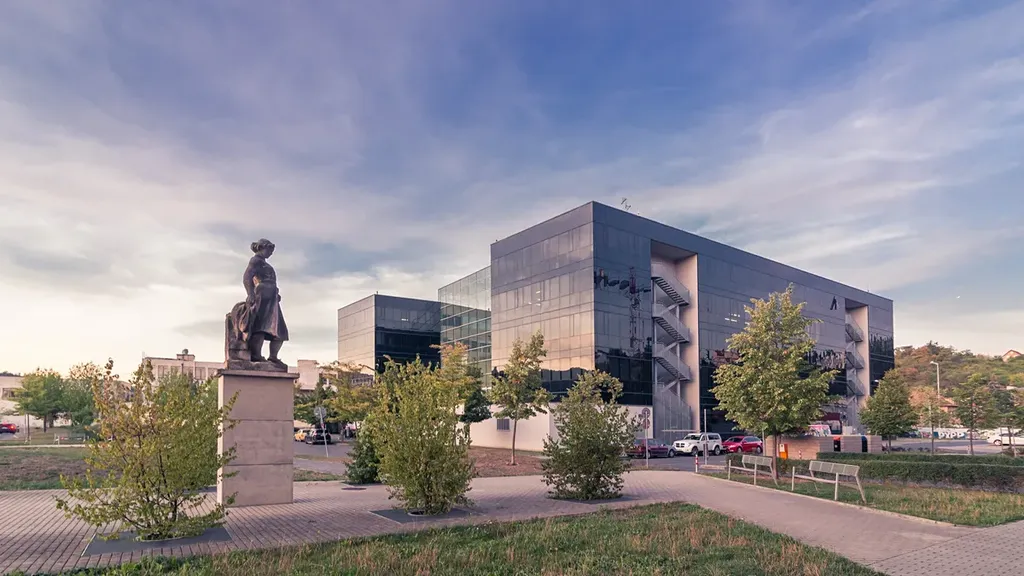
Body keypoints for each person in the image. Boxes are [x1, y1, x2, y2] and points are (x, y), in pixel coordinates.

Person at [242, 238, 289, 365]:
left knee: (280, 330)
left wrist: (276, 294)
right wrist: (250, 294)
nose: (270, 253)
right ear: (262, 248)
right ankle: (256, 355)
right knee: (261, 326)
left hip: (272, 298)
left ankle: (273, 356)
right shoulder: (255, 260)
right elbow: (247, 277)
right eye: (269, 250)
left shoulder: (264, 263)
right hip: (262, 296)